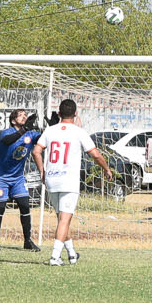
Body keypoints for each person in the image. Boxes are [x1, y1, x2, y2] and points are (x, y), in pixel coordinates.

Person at [32, 97, 112, 267]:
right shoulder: (79, 132)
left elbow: (36, 151)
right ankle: (54, 257)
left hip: (52, 179)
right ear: (75, 114)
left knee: (62, 220)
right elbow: (95, 154)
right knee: (64, 220)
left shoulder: (50, 130)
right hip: (68, 180)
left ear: (59, 113)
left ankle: (72, 254)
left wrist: (42, 171)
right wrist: (106, 169)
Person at [0, 107, 42, 251]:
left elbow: (44, 139)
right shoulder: (7, 133)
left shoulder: (31, 134)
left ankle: (27, 241)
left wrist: (52, 127)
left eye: (25, 115)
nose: (24, 117)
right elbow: (7, 141)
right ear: (13, 121)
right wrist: (24, 130)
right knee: (0, 206)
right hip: (0, 177)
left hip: (17, 178)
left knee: (25, 205)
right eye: (20, 115)